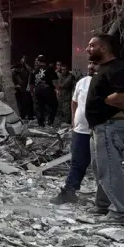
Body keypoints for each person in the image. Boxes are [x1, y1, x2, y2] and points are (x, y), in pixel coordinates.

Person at [85, 34, 124, 224]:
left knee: (110, 169)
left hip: (109, 125)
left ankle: (121, 212)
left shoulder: (117, 68)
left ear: (103, 48)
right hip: (100, 126)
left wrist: (109, 100)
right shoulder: (103, 68)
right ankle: (103, 205)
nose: (88, 49)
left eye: (92, 45)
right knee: (100, 167)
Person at [50, 62, 97, 205]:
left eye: (94, 64)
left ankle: (106, 199)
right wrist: (74, 120)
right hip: (80, 129)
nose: (90, 66)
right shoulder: (82, 82)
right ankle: (69, 191)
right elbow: (74, 101)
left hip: (100, 131)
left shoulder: (112, 82)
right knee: (77, 162)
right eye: (89, 63)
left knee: (102, 166)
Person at [31, 55, 58, 128]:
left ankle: (41, 124)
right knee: (54, 106)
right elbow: (54, 81)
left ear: (39, 62)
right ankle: (50, 122)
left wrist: (32, 93)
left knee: (40, 107)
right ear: (46, 61)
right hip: (48, 90)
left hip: (38, 91)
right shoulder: (50, 69)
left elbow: (31, 84)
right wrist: (58, 89)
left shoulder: (35, 70)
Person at [55, 61, 77, 125]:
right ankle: (60, 125)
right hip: (59, 97)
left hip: (67, 98)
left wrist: (56, 85)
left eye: (65, 69)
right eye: (62, 69)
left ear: (67, 70)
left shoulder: (70, 76)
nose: (63, 71)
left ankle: (66, 125)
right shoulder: (60, 75)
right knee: (59, 112)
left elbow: (63, 85)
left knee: (66, 113)